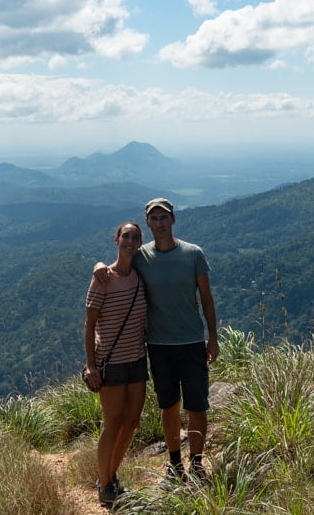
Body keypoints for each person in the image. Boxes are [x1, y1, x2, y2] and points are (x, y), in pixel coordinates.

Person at [94, 197, 219, 483]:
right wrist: (98, 265)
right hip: (159, 345)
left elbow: (207, 300)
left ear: (173, 220)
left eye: (164, 218)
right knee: (169, 405)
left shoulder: (194, 254)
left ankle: (197, 464)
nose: (160, 223)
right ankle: (175, 463)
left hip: (191, 342)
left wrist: (213, 339)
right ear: (148, 222)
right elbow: (117, 264)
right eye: (154, 218)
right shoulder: (141, 257)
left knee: (197, 405)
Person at [83, 221, 148, 507]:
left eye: (135, 237)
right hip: (110, 362)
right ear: (116, 240)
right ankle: (105, 483)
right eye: (126, 236)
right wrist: (91, 366)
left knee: (132, 422)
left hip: (137, 359)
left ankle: (110, 477)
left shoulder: (141, 275)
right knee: (113, 423)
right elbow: (89, 325)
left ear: (139, 243)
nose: (130, 241)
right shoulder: (102, 278)